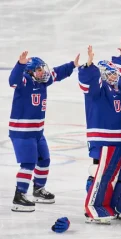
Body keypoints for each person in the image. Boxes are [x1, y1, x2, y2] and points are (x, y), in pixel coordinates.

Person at [9, 51, 79, 212]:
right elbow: (13, 81)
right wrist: (20, 64)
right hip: (22, 132)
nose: (43, 72)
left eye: (42, 68)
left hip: (37, 132)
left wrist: (72, 65)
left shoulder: (42, 82)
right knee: (28, 163)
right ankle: (19, 196)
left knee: (44, 160)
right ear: (30, 72)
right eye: (39, 69)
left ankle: (38, 190)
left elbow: (57, 72)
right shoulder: (24, 81)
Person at [78, 38, 121, 224]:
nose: (113, 77)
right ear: (101, 75)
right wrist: (88, 65)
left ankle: (117, 204)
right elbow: (87, 81)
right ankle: (94, 207)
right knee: (101, 173)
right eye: (109, 74)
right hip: (102, 138)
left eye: (114, 74)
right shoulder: (98, 89)